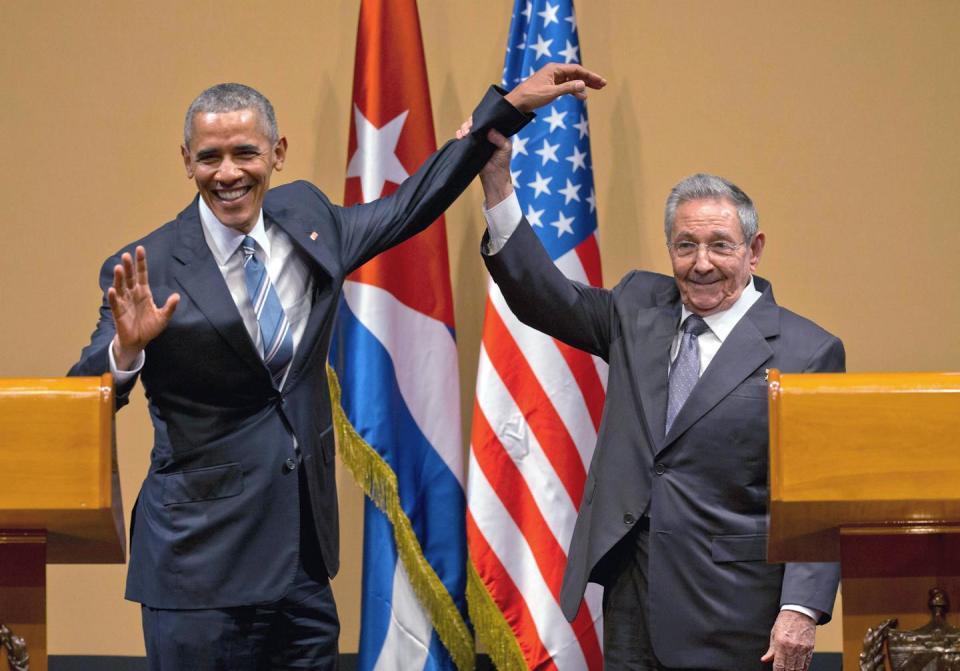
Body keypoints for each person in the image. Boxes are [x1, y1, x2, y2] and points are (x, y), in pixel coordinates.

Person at [68, 64, 605, 670]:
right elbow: (79, 399)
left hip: (301, 563)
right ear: (185, 161)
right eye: (209, 157)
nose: (227, 173)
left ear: (277, 154)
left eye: (245, 152)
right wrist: (126, 353)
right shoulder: (147, 266)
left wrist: (506, 109)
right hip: (199, 570)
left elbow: (412, 204)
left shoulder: (310, 220)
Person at [471, 127, 844, 671]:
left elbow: (818, 499)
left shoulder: (808, 350)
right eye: (686, 245)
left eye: (720, 245)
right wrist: (498, 182)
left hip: (736, 611)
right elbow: (543, 297)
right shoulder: (637, 307)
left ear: (754, 250)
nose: (702, 263)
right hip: (633, 598)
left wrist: (801, 608)